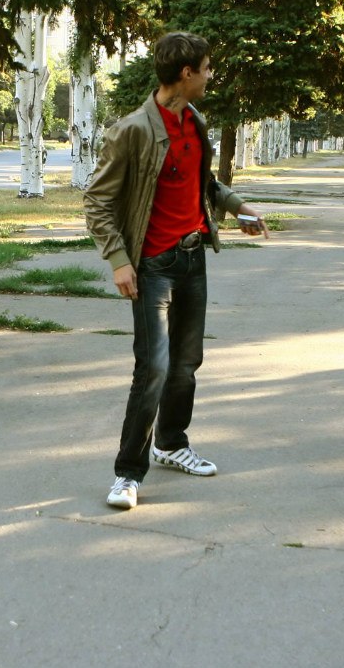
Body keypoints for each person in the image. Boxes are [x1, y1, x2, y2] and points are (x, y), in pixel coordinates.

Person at [84, 31, 267, 510]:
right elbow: (97, 201)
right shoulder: (132, 131)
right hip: (152, 266)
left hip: (192, 258)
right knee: (154, 369)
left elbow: (202, 182)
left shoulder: (194, 120)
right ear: (186, 73)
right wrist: (119, 261)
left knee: (186, 365)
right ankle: (127, 473)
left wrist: (239, 207)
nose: (210, 76)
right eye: (206, 69)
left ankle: (170, 443)